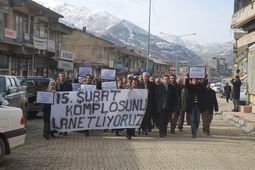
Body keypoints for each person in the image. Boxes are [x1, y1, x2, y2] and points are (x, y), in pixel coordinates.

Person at [185, 74, 208, 138]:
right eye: (193, 80)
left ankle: (196, 126)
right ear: (192, 81)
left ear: (198, 81)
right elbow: (186, 85)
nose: (195, 81)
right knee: (192, 120)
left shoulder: (200, 86)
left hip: (198, 106)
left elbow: (204, 85)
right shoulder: (190, 87)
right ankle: (193, 133)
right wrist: (187, 77)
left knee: (197, 119)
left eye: (196, 80)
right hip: (192, 106)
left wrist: (205, 78)